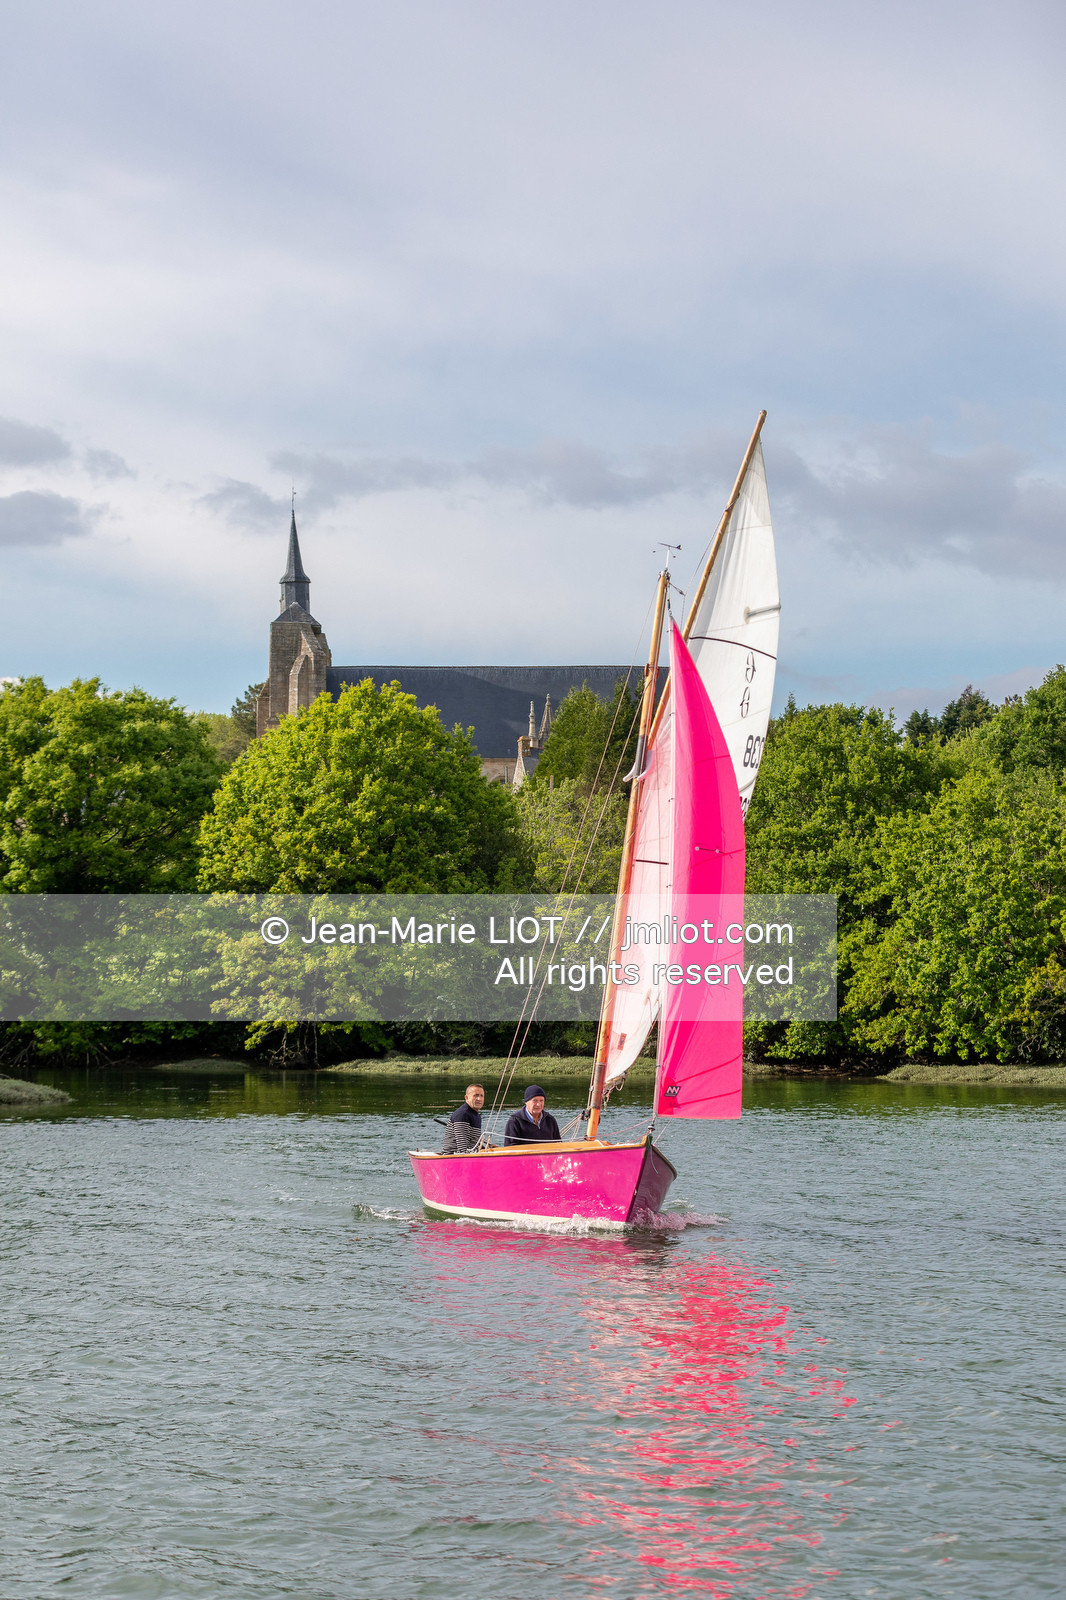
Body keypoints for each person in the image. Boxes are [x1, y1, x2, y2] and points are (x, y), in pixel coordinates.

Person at [440, 1084, 485, 1154]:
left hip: (470, 1155)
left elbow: (473, 1142)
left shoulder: (476, 1115)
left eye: (481, 1096)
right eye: (475, 1095)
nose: (479, 1099)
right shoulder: (462, 1114)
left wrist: (487, 1148)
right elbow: (462, 1148)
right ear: (466, 1098)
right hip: (452, 1157)